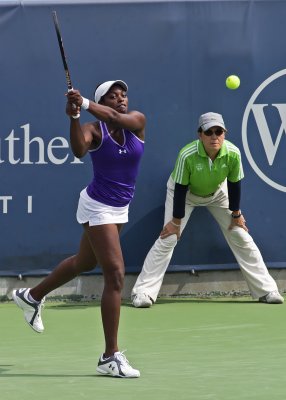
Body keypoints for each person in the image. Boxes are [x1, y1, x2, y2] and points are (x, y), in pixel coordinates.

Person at [12, 80, 146, 378]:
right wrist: (74, 117)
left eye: (124, 94)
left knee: (85, 262)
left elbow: (114, 118)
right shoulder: (93, 130)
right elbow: (78, 150)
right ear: (102, 101)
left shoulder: (136, 121)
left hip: (120, 208)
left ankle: (31, 296)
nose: (122, 99)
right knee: (115, 274)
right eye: (114, 96)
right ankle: (109, 356)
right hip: (96, 206)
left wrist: (83, 103)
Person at [131, 112, 284, 308]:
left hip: (218, 194)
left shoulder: (233, 153)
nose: (214, 136)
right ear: (200, 135)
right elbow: (179, 189)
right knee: (168, 237)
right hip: (184, 195)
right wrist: (176, 222)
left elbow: (235, 184)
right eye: (209, 132)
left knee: (241, 235)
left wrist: (236, 214)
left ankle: (267, 290)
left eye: (218, 131)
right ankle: (142, 293)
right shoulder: (187, 154)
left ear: (224, 134)